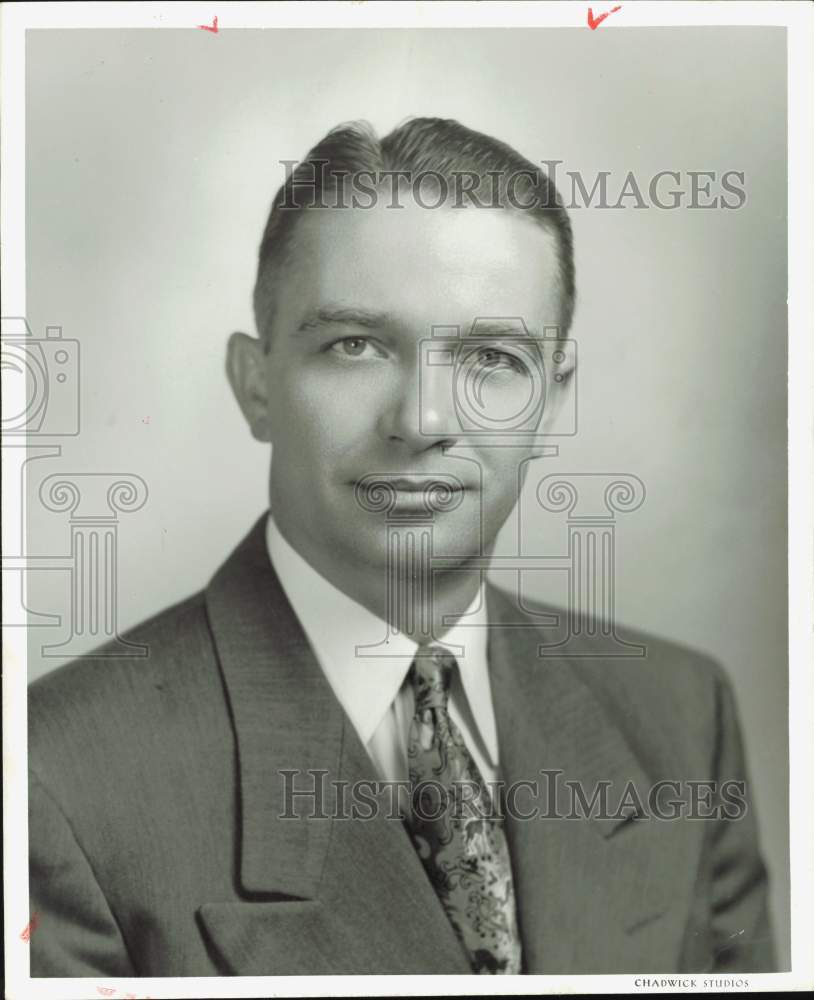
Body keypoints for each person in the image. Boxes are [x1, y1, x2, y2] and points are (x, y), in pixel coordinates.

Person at [28, 117, 775, 976]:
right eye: (355, 346)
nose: (423, 421)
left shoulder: (682, 718)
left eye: (491, 357)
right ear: (256, 383)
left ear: (552, 402)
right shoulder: (56, 777)